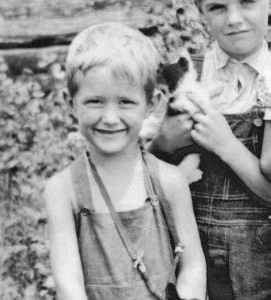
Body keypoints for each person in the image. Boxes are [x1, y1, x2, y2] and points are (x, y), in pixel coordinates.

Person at [44, 22, 206, 300]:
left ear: (152, 103)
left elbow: (192, 266)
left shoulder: (169, 181)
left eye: (125, 102)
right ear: (71, 103)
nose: (109, 117)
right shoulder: (63, 190)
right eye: (95, 101)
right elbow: (68, 283)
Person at [150, 1, 271, 299]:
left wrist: (225, 145)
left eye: (247, 2)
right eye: (217, 6)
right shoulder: (184, 73)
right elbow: (139, 169)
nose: (234, 19)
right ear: (199, 9)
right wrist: (161, 143)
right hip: (192, 258)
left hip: (259, 266)